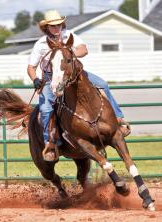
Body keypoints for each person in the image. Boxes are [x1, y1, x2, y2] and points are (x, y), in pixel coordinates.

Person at [27, 10, 130, 160]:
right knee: (45, 107)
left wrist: (70, 53)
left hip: (72, 73)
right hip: (51, 79)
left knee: (102, 84)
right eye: (53, 25)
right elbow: (31, 67)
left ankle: (119, 120)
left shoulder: (69, 35)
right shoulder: (41, 45)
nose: (57, 28)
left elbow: (84, 49)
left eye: (59, 24)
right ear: (47, 27)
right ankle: (50, 142)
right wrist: (35, 79)